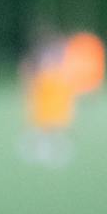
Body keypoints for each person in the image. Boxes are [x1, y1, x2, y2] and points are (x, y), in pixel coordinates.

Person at [18, 26, 76, 167]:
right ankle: (40, 152)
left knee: (52, 130)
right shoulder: (44, 62)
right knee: (43, 130)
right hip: (45, 101)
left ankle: (50, 152)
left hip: (53, 101)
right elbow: (33, 80)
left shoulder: (56, 62)